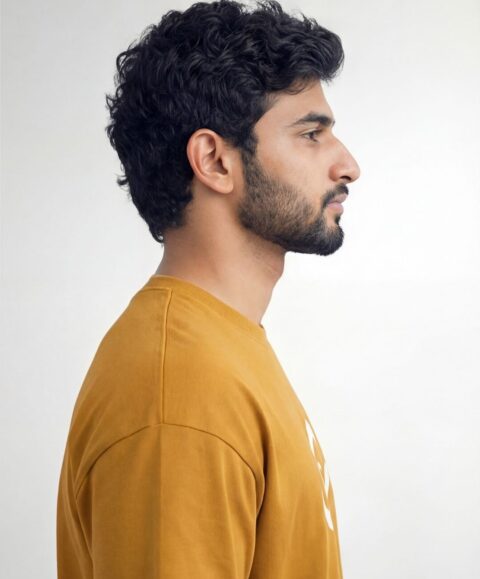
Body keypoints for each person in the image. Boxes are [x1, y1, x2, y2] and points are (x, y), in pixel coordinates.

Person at [56, 0, 361, 577]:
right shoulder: (178, 393)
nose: (348, 165)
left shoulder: (218, 348)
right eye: (311, 134)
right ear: (215, 161)